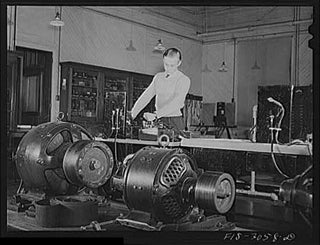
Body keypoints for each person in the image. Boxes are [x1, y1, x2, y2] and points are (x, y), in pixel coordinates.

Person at [129, 47, 190, 136]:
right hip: (159, 120)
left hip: (174, 121)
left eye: (172, 65)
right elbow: (146, 96)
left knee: (174, 149)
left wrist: (156, 114)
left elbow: (177, 103)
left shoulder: (183, 80)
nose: (168, 68)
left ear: (179, 63)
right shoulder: (158, 77)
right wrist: (132, 114)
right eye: (166, 64)